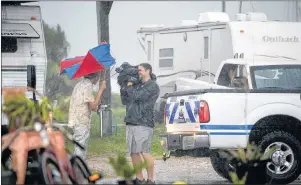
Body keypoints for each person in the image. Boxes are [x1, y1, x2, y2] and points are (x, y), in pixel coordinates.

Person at [120, 63, 160, 184]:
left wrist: (130, 86)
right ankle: (139, 178)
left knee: (144, 151)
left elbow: (138, 97)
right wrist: (124, 87)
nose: (138, 72)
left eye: (140, 70)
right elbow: (125, 101)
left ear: (148, 70)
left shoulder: (153, 86)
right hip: (131, 121)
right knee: (133, 152)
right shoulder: (136, 85)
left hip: (144, 122)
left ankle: (151, 180)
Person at [68, 72, 106, 159]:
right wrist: (101, 90)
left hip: (77, 119)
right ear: (96, 76)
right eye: (98, 76)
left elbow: (92, 105)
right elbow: (93, 106)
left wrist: (99, 95)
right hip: (81, 121)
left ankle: (78, 169)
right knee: (80, 147)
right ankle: (77, 169)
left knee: (80, 146)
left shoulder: (80, 84)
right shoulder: (87, 86)